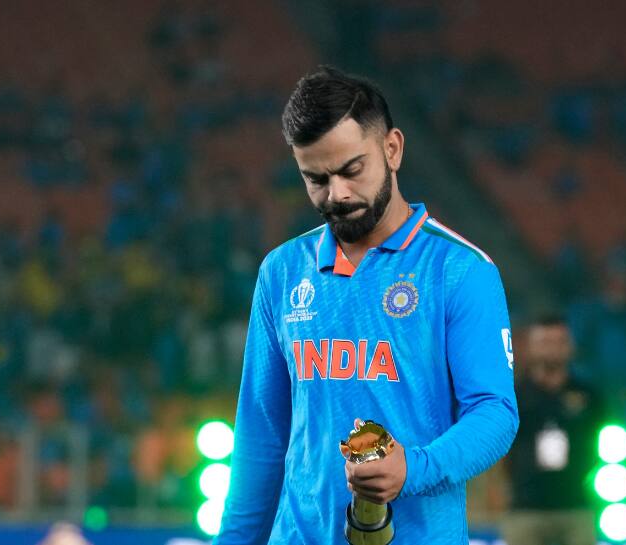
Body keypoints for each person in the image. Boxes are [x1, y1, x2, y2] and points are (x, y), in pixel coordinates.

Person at [215, 66, 519, 544]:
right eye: (315, 178)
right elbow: (261, 438)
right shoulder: (281, 271)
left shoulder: (459, 271)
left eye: (352, 170)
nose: (336, 194)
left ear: (392, 149)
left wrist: (414, 468)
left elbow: (495, 413)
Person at [502, 313, 603, 545]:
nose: (552, 350)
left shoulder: (588, 396)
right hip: (525, 509)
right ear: (530, 347)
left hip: (576, 506)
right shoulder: (513, 396)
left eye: (559, 342)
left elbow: (602, 444)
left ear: (570, 346)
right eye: (545, 343)